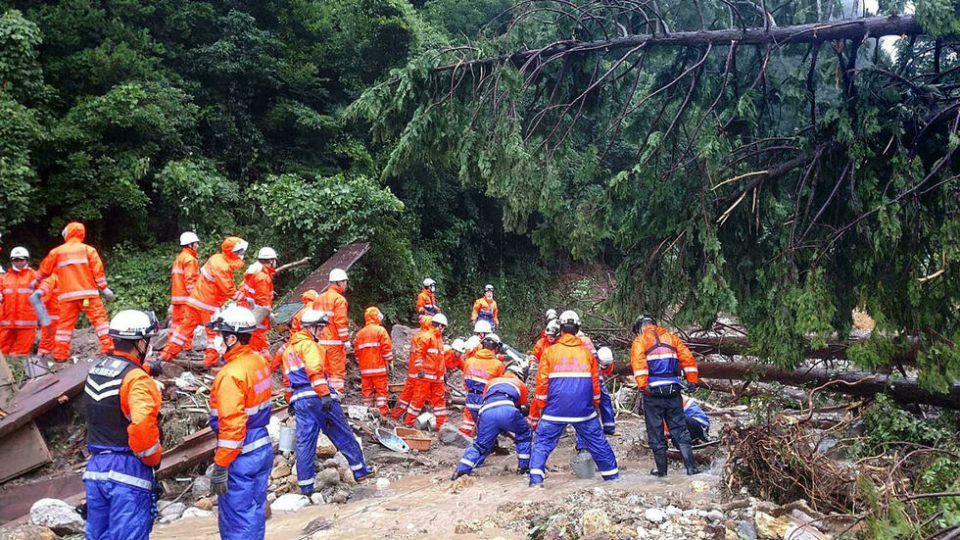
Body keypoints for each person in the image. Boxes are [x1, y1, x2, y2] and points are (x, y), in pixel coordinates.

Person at [82, 310, 163, 540]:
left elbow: (118, 380)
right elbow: (142, 426)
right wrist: (153, 458)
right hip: (127, 472)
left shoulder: (96, 370)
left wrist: (147, 368)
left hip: (96, 469)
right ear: (139, 343)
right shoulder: (138, 381)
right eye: (147, 340)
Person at [281, 310, 375, 494]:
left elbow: (287, 381)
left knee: (305, 442)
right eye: (320, 328)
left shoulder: (289, 350)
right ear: (312, 327)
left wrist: (290, 402)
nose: (322, 332)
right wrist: (324, 394)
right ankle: (361, 471)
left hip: (299, 400)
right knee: (342, 433)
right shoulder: (310, 346)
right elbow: (315, 371)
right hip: (317, 397)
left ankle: (306, 485)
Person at [528, 310, 619, 486]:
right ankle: (613, 479)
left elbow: (542, 383)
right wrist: (594, 405)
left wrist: (541, 406)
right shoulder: (587, 354)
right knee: (598, 443)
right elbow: (595, 385)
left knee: (542, 443)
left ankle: (535, 481)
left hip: (555, 409)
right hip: (582, 411)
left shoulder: (550, 352)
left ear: (560, 329)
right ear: (577, 329)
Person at [207, 306, 273, 540]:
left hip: (240, 453)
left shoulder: (230, 375)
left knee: (238, 521)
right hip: (261, 446)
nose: (217, 341)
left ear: (232, 337)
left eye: (220, 336)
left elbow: (232, 426)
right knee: (254, 514)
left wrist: (221, 465)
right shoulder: (258, 362)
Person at [630, 313, 701, 476]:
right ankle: (691, 468)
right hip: (673, 390)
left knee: (655, 431)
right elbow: (688, 359)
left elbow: (638, 363)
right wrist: (692, 381)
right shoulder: (672, 338)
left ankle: (662, 472)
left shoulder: (640, 341)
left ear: (640, 328)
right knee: (680, 429)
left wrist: (642, 385)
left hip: (653, 392)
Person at [161, 236, 247, 367]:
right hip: (209, 305)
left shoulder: (215, 258)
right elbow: (227, 288)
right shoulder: (222, 266)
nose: (240, 255)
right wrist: (241, 297)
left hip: (195, 301)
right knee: (213, 334)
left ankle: (166, 354)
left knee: (182, 330)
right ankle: (210, 361)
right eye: (239, 252)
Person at [35, 222, 115, 361]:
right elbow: (98, 270)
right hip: (88, 294)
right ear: (81, 234)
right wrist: (104, 288)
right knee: (100, 321)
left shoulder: (57, 251)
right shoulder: (88, 250)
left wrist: (36, 280)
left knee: (64, 328)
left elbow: (44, 269)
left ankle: (60, 355)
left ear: (67, 233)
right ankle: (108, 347)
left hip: (67, 297)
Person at [452, 357, 531, 479]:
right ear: (520, 376)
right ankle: (524, 467)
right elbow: (522, 408)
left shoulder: (492, 382)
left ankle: (462, 469)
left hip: (486, 412)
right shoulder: (520, 384)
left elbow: (487, 399)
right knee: (524, 432)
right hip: (507, 409)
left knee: (480, 444)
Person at [404, 313, 450, 428]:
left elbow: (440, 358)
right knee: (418, 399)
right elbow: (418, 353)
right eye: (443, 327)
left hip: (437, 377)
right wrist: (419, 369)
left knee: (439, 401)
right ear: (439, 326)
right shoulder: (427, 337)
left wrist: (444, 372)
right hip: (426, 376)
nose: (444, 330)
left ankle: (442, 425)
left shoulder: (438, 339)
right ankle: (408, 423)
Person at [458, 332, 505, 436]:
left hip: (470, 397)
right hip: (486, 400)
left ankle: (463, 441)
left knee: (467, 425)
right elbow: (498, 386)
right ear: (496, 348)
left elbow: (465, 382)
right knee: (486, 428)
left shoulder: (470, 361)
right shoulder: (498, 365)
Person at [390, 315, 434, 420]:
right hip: (421, 373)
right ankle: (410, 420)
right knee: (419, 398)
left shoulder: (416, 336)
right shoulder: (428, 337)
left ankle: (395, 415)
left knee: (406, 395)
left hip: (413, 371)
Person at [313, 268, 349, 394]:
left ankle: (324, 396)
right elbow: (340, 322)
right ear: (339, 282)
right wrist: (346, 340)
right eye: (345, 281)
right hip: (334, 344)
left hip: (319, 343)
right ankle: (336, 398)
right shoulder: (339, 300)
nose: (346, 284)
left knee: (323, 372)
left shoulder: (319, 299)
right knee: (336, 374)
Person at [354, 307, 394, 416]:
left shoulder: (359, 334)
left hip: (365, 371)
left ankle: (368, 413)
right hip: (379, 369)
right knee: (381, 393)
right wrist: (390, 362)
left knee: (367, 393)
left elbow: (357, 354)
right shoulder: (380, 331)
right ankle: (382, 414)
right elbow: (386, 349)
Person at [0, 247, 38, 355]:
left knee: (22, 354)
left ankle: (19, 372)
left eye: (21, 260)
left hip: (26, 323)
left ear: (27, 260)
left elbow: (44, 294)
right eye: (15, 260)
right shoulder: (5, 278)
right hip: (6, 322)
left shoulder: (34, 276)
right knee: (2, 353)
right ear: (11, 260)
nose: (18, 263)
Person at [242, 247, 278, 356]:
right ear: (271, 261)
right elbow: (262, 300)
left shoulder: (253, 271)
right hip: (258, 316)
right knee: (257, 344)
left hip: (250, 311)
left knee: (253, 341)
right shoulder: (262, 277)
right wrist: (270, 314)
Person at [169, 232, 200, 350]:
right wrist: (195, 298)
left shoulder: (179, 258)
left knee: (175, 325)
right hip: (186, 299)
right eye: (196, 243)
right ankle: (186, 349)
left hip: (177, 298)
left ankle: (172, 347)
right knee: (187, 324)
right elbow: (190, 281)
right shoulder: (190, 260)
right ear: (190, 245)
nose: (197, 245)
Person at [34, 274, 61, 356]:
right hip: (54, 312)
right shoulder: (55, 277)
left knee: (50, 335)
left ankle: (46, 354)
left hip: (54, 313)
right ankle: (45, 354)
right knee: (50, 335)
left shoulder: (54, 278)